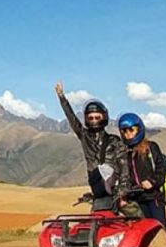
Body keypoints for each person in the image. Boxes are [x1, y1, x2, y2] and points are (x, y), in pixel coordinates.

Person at [55, 82, 131, 212]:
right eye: (90, 118)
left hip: (116, 191)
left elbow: (124, 165)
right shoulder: (84, 136)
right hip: (97, 190)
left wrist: (123, 189)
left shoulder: (114, 140)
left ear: (104, 117)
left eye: (97, 117)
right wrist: (62, 98)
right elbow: (72, 118)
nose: (94, 120)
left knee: (132, 220)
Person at [117, 113, 166, 226]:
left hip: (153, 197)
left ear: (139, 129)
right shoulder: (124, 153)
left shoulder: (151, 147)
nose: (128, 134)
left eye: (131, 130)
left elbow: (161, 169)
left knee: (158, 229)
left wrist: (152, 182)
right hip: (136, 199)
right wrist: (123, 195)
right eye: (124, 131)